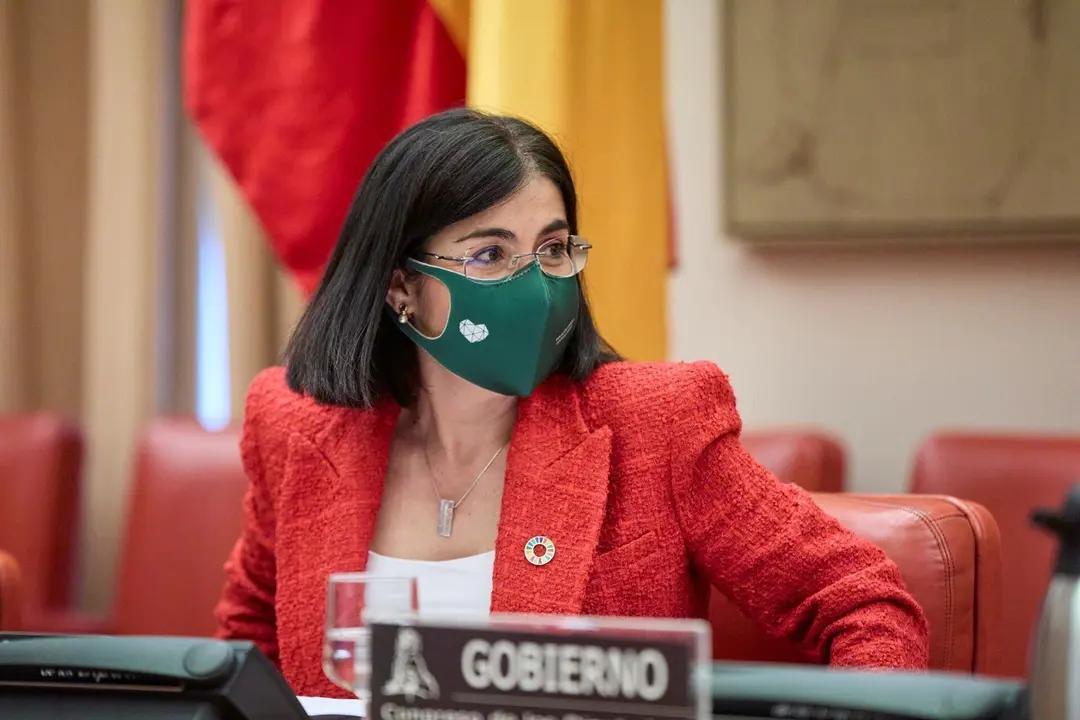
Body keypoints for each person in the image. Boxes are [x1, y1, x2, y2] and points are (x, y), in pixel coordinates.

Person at [216, 108, 929, 697]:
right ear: (400, 287)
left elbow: (865, 603)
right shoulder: (299, 430)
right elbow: (249, 647)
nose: (536, 287)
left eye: (553, 250)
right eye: (490, 256)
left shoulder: (657, 424)